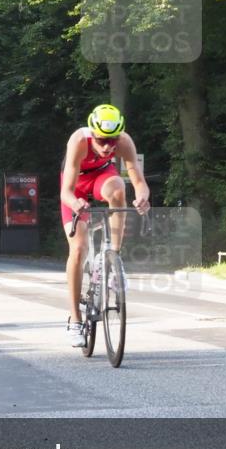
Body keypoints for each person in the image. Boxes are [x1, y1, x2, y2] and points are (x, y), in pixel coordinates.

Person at [60, 104, 150, 347]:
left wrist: (143, 196)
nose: (108, 146)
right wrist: (75, 203)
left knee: (119, 188)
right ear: (92, 133)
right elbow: (65, 192)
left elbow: (139, 181)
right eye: (102, 141)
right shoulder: (79, 141)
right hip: (76, 186)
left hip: (102, 176)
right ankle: (75, 320)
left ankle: (114, 258)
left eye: (113, 140)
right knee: (78, 249)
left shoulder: (124, 142)